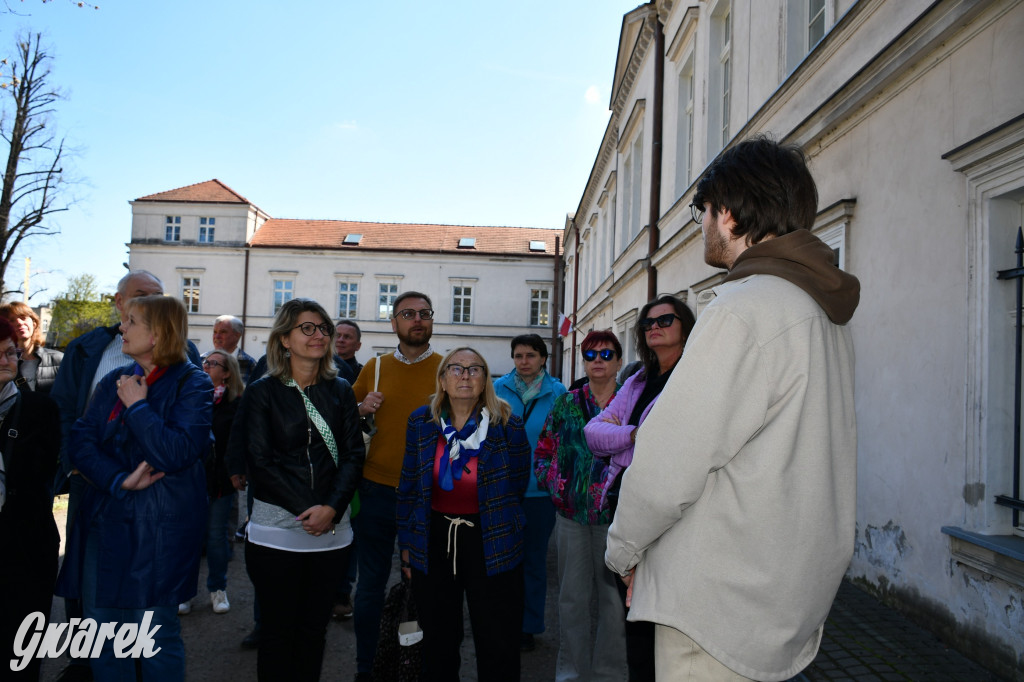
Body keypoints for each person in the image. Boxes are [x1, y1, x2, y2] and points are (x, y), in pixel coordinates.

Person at [605, 136, 860, 681]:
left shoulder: (743, 309)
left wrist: (624, 551)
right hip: (774, 599)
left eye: (702, 211)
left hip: (714, 606)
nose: (700, 225)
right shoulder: (819, 313)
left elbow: (670, 459)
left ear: (727, 212)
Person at [48, 269, 199, 682]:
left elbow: (177, 451)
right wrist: (119, 480)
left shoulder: (193, 382)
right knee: (102, 629)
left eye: (133, 322)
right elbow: (81, 442)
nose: (123, 327)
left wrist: (137, 407)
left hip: (158, 528)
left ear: (157, 333)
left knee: (153, 632)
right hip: (104, 516)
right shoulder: (115, 378)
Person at [237, 297, 364, 681]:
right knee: (278, 634)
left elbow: (353, 455)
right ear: (285, 339)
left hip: (332, 534)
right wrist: (311, 509)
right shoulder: (262, 392)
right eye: (307, 327)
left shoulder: (341, 390)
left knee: (313, 633)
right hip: (276, 533)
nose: (319, 335)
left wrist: (331, 509)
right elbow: (260, 462)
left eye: (323, 327)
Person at [398, 347, 530, 681]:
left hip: (492, 539)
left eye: (475, 369)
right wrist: (407, 545)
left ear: (486, 379)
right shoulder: (421, 423)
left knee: (497, 639)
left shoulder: (508, 425)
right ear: (442, 379)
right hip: (434, 540)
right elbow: (410, 486)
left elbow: (516, 484)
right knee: (438, 641)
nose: (465, 376)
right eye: (455, 369)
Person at [584, 295, 695, 681]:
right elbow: (594, 432)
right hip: (623, 507)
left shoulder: (692, 377)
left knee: (658, 616)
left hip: (667, 515)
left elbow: (675, 444)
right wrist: (635, 434)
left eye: (665, 320)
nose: (654, 328)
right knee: (634, 615)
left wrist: (626, 437)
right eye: (647, 324)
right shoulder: (638, 380)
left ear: (685, 325)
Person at [350, 291, 442, 679]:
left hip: (429, 496)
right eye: (407, 314)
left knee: (423, 587)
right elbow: (341, 425)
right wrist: (360, 409)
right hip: (375, 491)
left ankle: (414, 666)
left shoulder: (448, 369)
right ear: (394, 323)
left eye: (424, 313)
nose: (416, 320)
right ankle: (367, 667)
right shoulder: (374, 368)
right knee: (369, 586)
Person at [535, 330, 627, 681]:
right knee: (571, 601)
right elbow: (543, 449)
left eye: (606, 355)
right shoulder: (567, 403)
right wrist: (555, 484)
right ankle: (572, 673)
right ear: (583, 362)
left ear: (619, 361)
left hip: (617, 519)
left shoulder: (631, 403)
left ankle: (610, 674)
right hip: (571, 516)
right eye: (590, 355)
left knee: (613, 603)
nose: (598, 361)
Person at [493, 333, 566, 651]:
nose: (524, 362)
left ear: (543, 359)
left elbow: (565, 440)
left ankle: (529, 625)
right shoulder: (497, 389)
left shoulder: (558, 392)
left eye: (531, 356)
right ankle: (502, 620)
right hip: (504, 489)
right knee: (503, 559)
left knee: (533, 560)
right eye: (519, 356)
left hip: (539, 492)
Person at [0, 317, 61, 682]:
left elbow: (35, 473)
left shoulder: (39, 409)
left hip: (24, 546)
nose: (7, 360)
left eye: (10, 353)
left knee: (21, 652)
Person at [178, 349, 244, 616]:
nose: (205, 366)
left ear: (227, 373)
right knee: (188, 538)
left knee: (216, 538)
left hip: (220, 480)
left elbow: (239, 442)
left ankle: (218, 589)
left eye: (213, 364)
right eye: (204, 362)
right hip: (190, 479)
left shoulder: (236, 403)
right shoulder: (191, 396)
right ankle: (183, 592)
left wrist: (237, 471)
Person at [332, 319, 363, 619]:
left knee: (349, 528)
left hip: (354, 463)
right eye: (337, 335)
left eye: (347, 337)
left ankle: (343, 592)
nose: (340, 340)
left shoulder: (366, 374)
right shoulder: (319, 371)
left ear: (357, 344)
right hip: (324, 462)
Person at [0, 300, 64, 395]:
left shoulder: (59, 359)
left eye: (23, 318)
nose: (19, 323)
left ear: (34, 323)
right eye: (12, 320)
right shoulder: (4, 362)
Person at [207, 314, 257, 384]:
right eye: (215, 332)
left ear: (237, 335)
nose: (217, 336)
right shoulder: (202, 360)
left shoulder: (250, 364)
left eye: (223, 332)